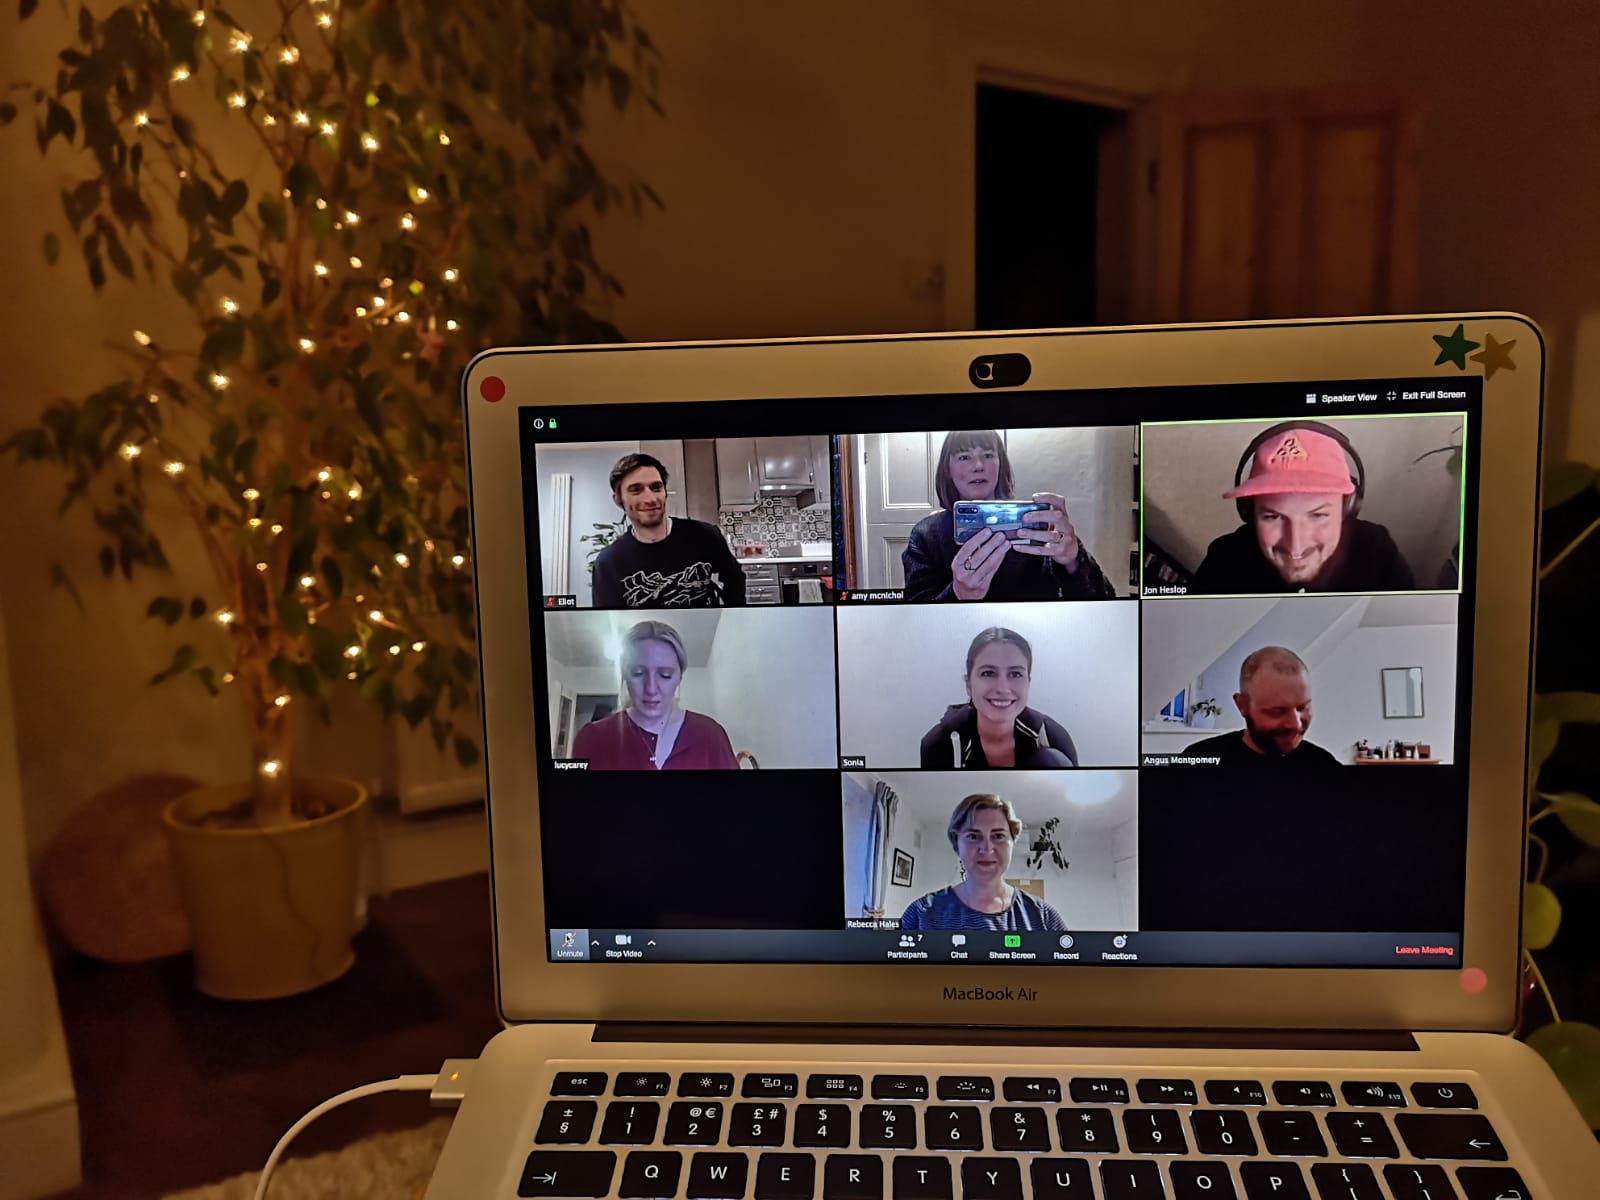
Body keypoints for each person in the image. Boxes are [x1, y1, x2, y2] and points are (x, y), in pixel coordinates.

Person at [1191, 425, 1415, 594]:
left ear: (1348, 507)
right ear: (1249, 512)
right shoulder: (1224, 560)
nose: (1295, 545)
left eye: (1318, 515)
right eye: (1272, 517)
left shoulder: (1378, 550)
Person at [901, 430, 1117, 602]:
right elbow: (917, 621)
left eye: (987, 455)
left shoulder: (1037, 523)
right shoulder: (925, 535)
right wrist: (958, 593)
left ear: (1000, 464)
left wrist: (1072, 561)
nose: (978, 466)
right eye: (964, 456)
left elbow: (1105, 600)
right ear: (947, 469)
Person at [569, 620, 739, 769]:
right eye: (637, 673)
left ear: (679, 677)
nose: (651, 689)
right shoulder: (592, 738)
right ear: (624, 675)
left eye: (665, 675)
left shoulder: (710, 735)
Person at [591, 453, 747, 607]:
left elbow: (735, 579)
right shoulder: (608, 563)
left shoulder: (705, 536)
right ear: (618, 500)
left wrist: (730, 618)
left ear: (665, 492)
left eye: (656, 487)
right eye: (636, 490)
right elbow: (610, 621)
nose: (650, 499)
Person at [900, 793, 1067, 931]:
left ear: (1012, 842)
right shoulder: (920, 914)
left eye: (998, 836)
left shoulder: (1043, 917)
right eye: (973, 836)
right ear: (956, 843)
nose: (987, 849)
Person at [920, 628, 1078, 768]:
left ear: (1028, 682)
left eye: (1015, 674)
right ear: (968, 683)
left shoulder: (1051, 736)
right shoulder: (939, 744)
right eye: (988, 673)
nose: (1002, 688)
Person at [1183, 646, 1342, 767]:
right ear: (1242, 705)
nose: (1295, 724)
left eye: (1302, 707)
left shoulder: (1323, 765)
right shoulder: (1197, 763)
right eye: (1277, 711)